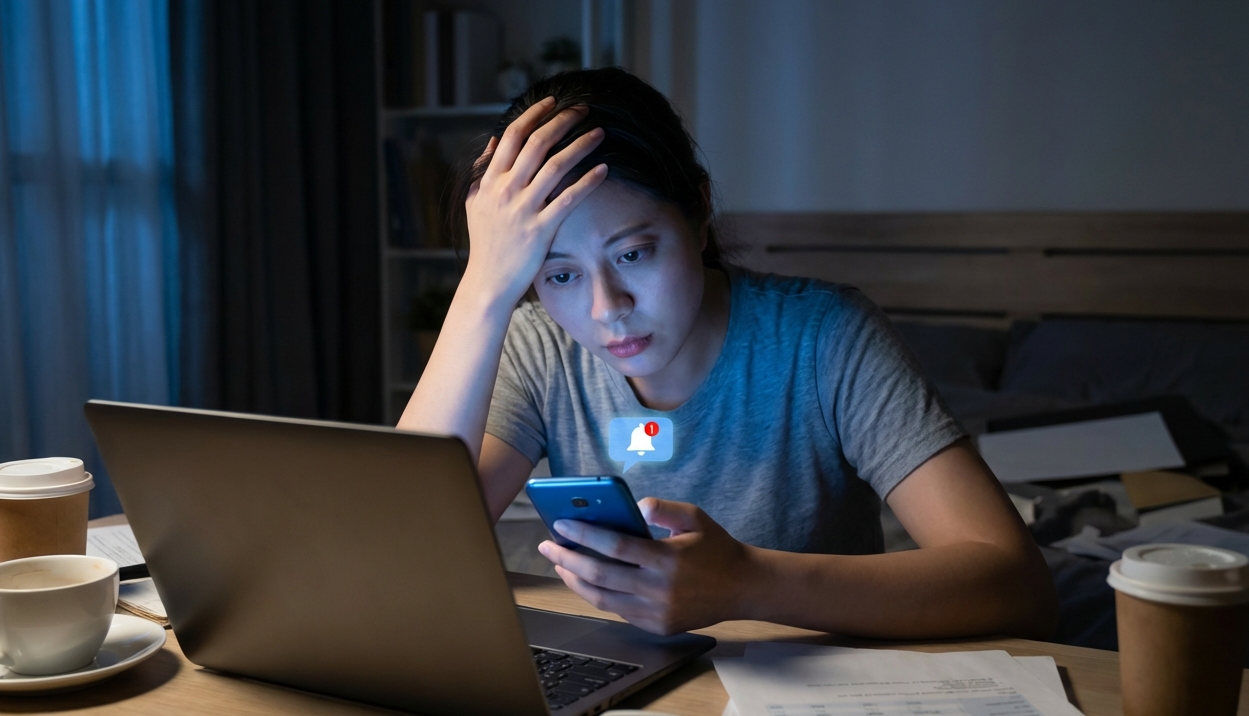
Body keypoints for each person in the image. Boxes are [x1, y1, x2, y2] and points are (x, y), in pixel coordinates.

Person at [398, 68, 1056, 640]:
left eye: (633, 254)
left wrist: (750, 583)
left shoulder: (823, 336)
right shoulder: (540, 346)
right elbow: (404, 547)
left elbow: (1015, 583)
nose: (606, 309)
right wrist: (485, 285)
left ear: (700, 210)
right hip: (628, 684)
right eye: (558, 272)